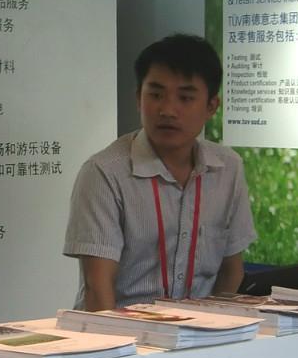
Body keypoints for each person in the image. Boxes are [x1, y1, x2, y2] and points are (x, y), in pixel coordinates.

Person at [63, 34, 256, 310]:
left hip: (201, 330)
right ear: (138, 99)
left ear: (211, 106)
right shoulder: (105, 173)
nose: (167, 110)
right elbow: (98, 289)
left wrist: (218, 329)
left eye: (185, 98)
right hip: (121, 330)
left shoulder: (228, 168)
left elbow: (231, 272)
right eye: (155, 95)